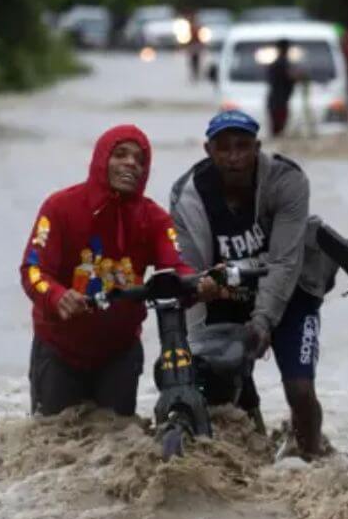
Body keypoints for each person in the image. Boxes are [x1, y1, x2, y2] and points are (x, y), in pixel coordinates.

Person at [170, 110, 335, 459]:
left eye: (243, 147)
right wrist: (193, 347)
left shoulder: (286, 181)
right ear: (208, 150)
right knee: (219, 382)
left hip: (292, 291)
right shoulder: (187, 195)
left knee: (300, 389)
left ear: (257, 147)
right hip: (225, 295)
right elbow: (190, 272)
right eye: (224, 148)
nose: (234, 158)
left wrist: (263, 321)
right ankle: (252, 457)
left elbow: (285, 261)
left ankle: (313, 457)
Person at [20, 125, 213, 417]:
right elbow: (33, 269)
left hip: (119, 353)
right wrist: (57, 296)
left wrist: (200, 284)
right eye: (120, 154)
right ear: (100, 160)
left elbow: (175, 267)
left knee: (118, 443)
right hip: (58, 349)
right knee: (53, 444)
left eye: (139, 159)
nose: (130, 163)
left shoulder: (155, 219)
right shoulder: (59, 208)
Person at [266, 39, 296, 137]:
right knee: (278, 129)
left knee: (278, 129)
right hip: (278, 101)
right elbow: (289, 76)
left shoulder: (279, 63)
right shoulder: (281, 63)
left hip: (278, 100)